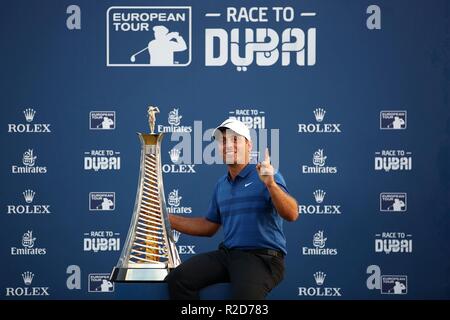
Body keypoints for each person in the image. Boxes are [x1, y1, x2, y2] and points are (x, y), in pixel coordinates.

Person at [165, 118, 299, 300]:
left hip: (262, 258)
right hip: (229, 255)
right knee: (179, 279)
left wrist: (271, 185)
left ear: (249, 145)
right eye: (223, 141)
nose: (229, 145)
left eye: (235, 139)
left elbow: (291, 214)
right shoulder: (221, 185)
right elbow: (208, 227)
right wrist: (165, 219)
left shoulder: (266, 175)